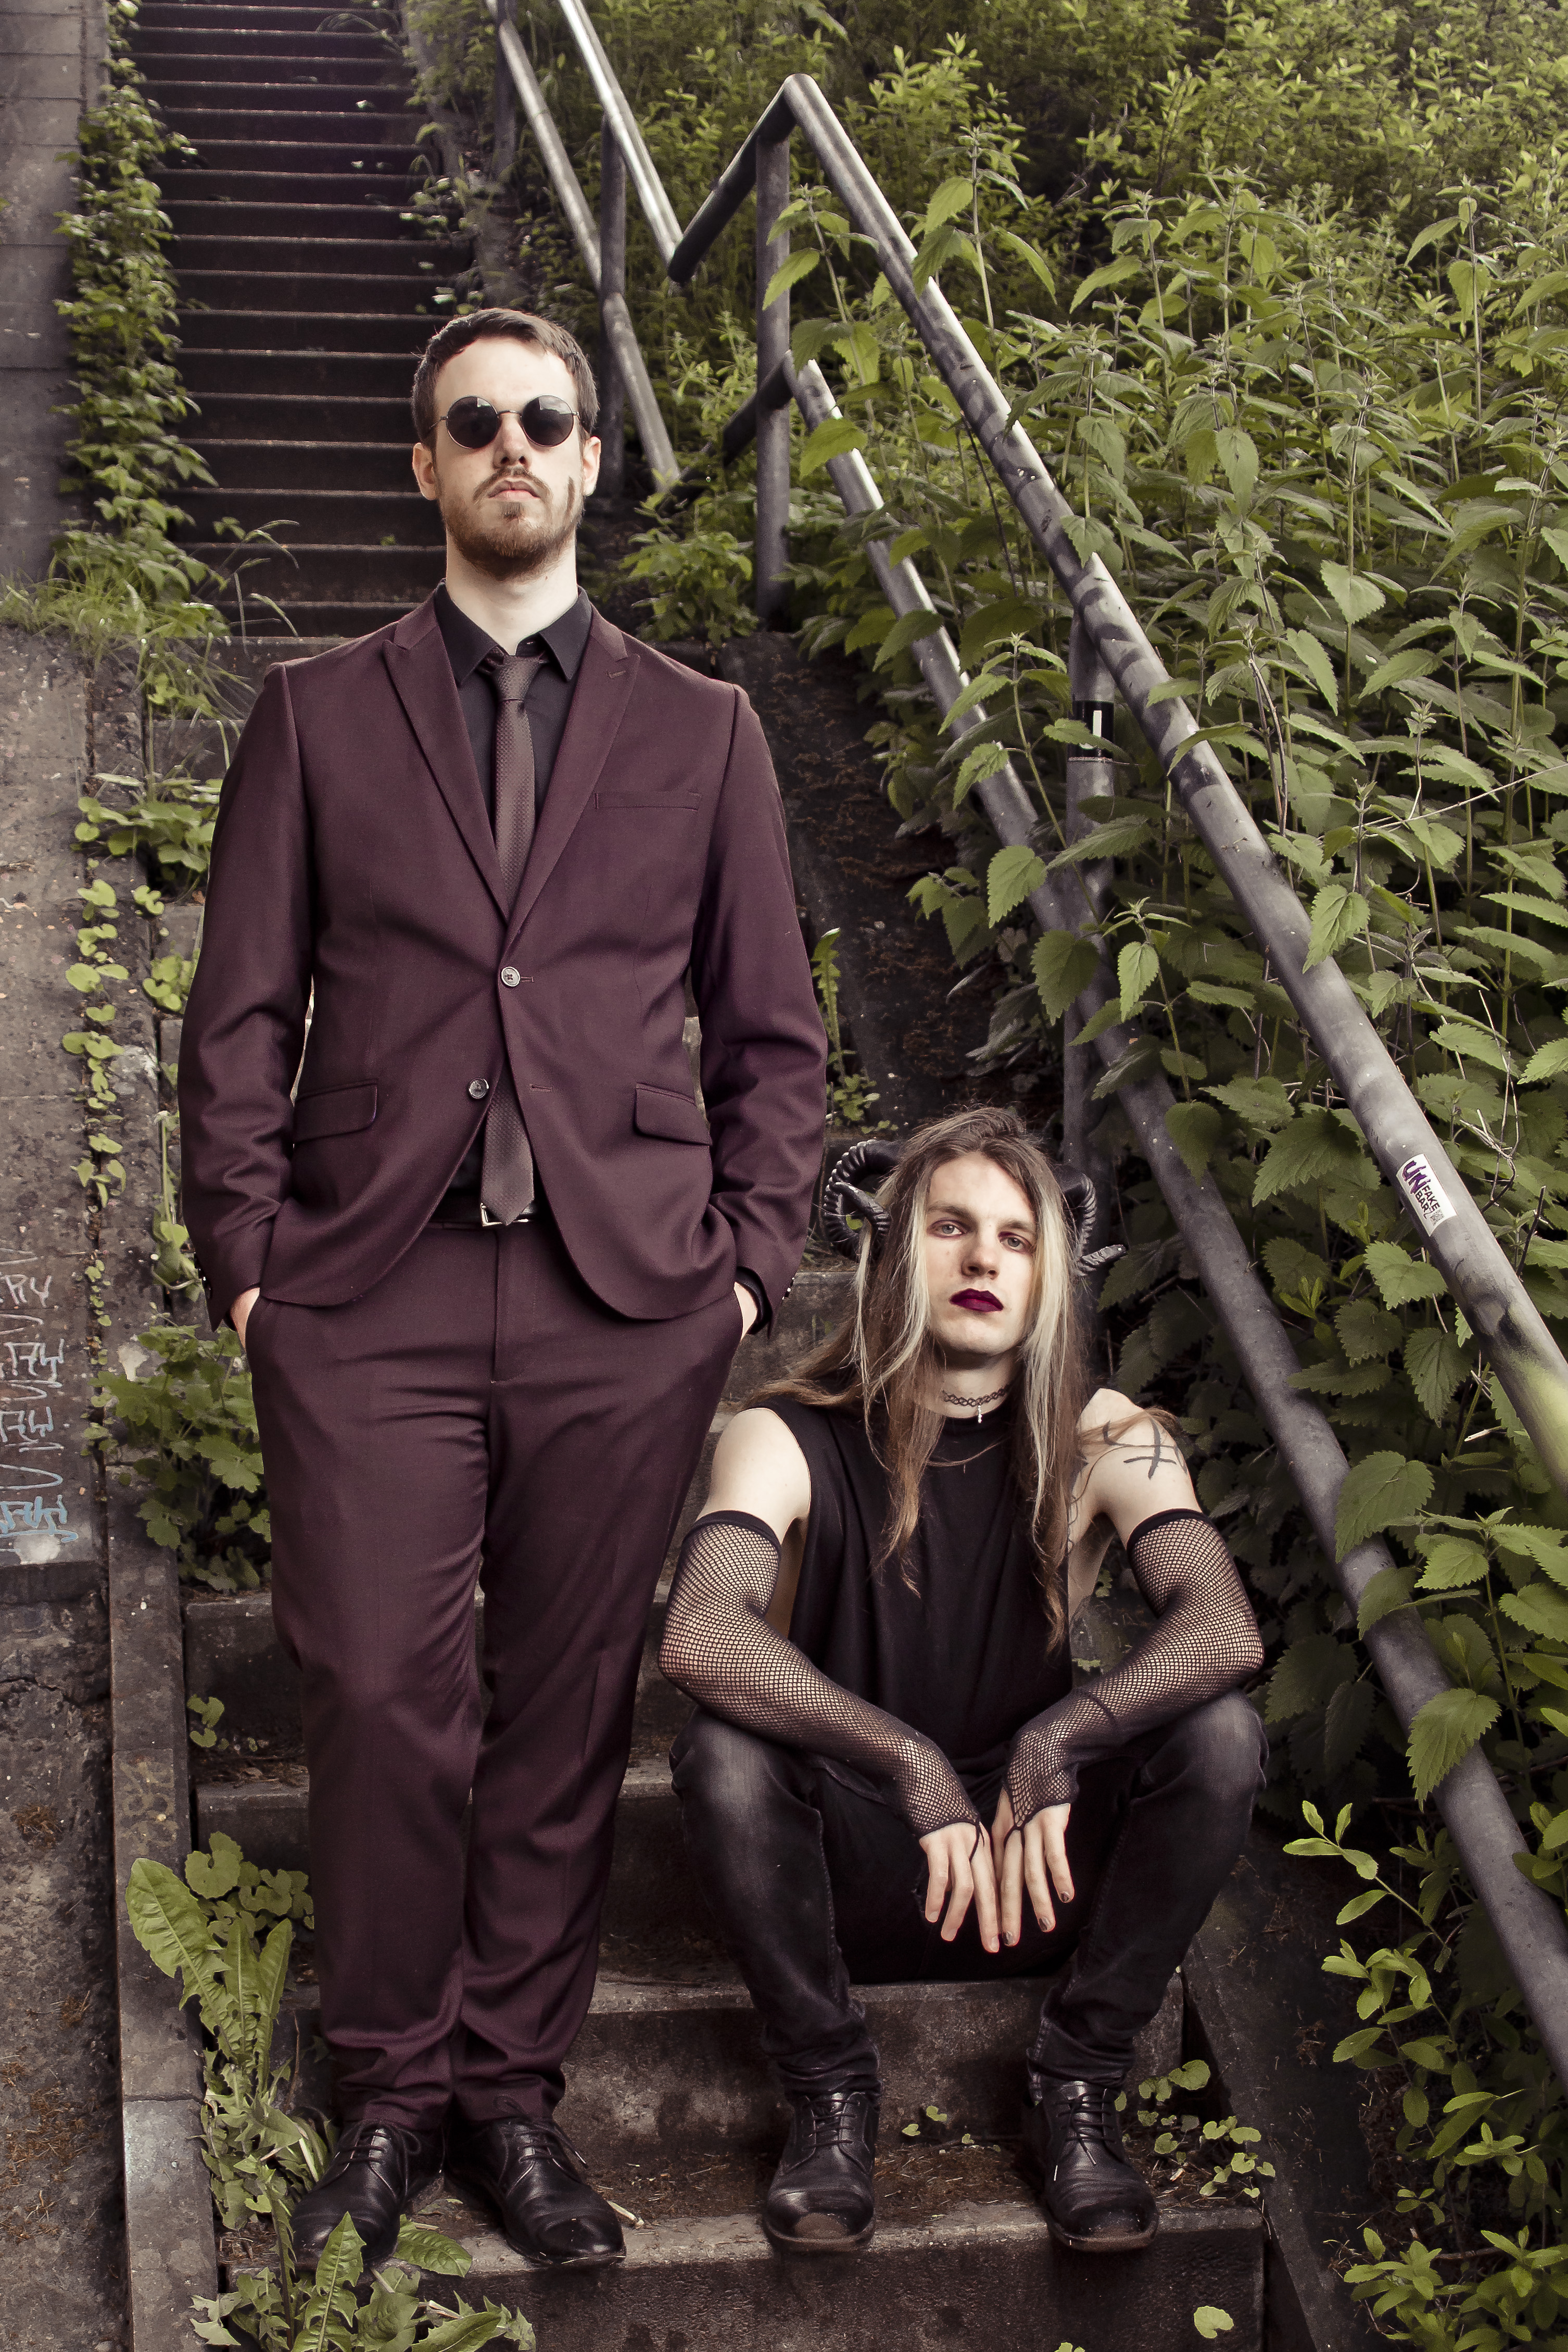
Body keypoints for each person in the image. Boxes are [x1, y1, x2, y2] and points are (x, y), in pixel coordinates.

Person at [178, 308, 827, 2270]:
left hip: (621, 1295)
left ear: (592, 457)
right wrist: (249, 1270)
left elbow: (773, 1036)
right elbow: (237, 1015)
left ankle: (511, 2098)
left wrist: (745, 1271)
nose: (512, 444)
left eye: (546, 416)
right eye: (474, 421)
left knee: (561, 1707)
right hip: (364, 1285)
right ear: (427, 464)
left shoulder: (704, 728)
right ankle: (388, 2091)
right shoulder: (315, 712)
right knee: (381, 1693)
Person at [661, 1106, 1266, 2258]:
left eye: (1017, 1237)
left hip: (1032, 1866)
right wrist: (908, 1759)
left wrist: (1060, 1739)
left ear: (1048, 1280)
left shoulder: (1107, 1435)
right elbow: (698, 1634)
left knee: (1223, 1735)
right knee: (722, 1754)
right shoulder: (779, 1434)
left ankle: (1077, 2082)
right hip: (850, 1872)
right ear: (892, 1253)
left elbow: (1223, 1626)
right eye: (950, 1227)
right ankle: (829, 2096)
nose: (984, 1256)